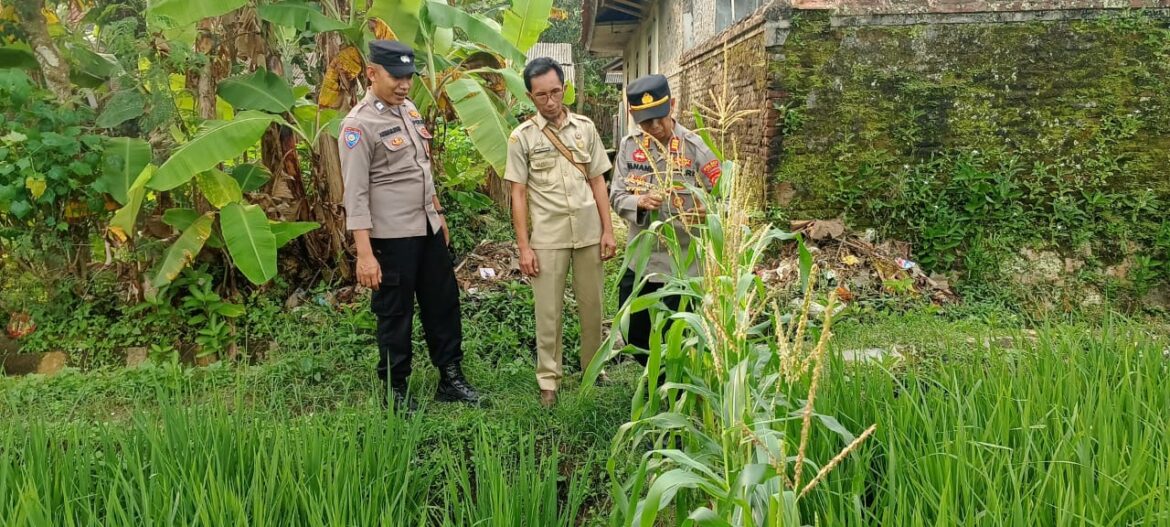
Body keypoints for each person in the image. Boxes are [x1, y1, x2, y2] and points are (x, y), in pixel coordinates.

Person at [339, 40, 481, 411]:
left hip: (427, 229)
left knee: (443, 304)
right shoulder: (358, 125)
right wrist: (365, 255)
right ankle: (395, 390)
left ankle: (450, 378)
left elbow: (422, 169)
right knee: (395, 314)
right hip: (391, 238)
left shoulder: (410, 110)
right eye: (396, 77)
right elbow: (354, 195)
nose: (404, 85)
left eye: (408, 77)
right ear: (372, 74)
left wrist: (438, 214)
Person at [505, 57, 616, 407]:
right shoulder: (522, 137)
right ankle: (548, 381)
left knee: (593, 307)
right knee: (548, 313)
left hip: (588, 232)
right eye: (541, 96)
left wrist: (608, 230)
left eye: (556, 92)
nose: (550, 101)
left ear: (565, 88)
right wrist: (524, 247)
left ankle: (592, 368)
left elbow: (598, 181)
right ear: (530, 96)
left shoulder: (585, 129)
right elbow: (518, 194)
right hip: (549, 237)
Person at [609, 74, 721, 365]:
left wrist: (706, 210)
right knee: (635, 332)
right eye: (646, 122)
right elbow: (617, 195)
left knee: (679, 337)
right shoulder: (629, 147)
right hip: (641, 261)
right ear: (634, 118)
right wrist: (639, 202)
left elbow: (724, 194)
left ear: (672, 105)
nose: (655, 127)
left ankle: (673, 391)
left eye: (660, 117)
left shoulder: (695, 148)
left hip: (682, 265)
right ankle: (652, 380)